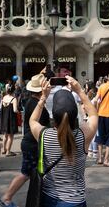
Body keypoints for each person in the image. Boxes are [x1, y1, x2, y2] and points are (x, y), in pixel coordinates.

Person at [29, 75, 98, 207]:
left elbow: (32, 121)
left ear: (53, 115)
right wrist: (80, 91)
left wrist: (43, 97)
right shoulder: (83, 135)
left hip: (49, 197)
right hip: (76, 200)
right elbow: (94, 114)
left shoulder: (44, 135)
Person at [0, 74, 50, 207]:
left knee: (32, 173)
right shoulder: (35, 104)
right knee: (26, 173)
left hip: (31, 142)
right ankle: (7, 197)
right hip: (32, 143)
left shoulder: (31, 101)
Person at [0, 84, 19, 156]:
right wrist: (18, 111)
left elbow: (0, 108)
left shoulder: (3, 98)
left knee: (5, 135)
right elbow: (14, 110)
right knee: (10, 136)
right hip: (11, 119)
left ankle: (4, 149)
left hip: (4, 118)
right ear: (13, 91)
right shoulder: (14, 99)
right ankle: (8, 151)